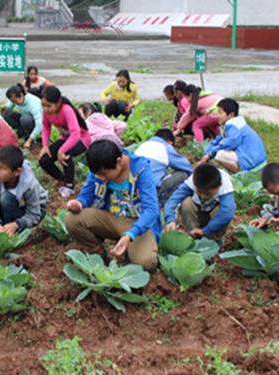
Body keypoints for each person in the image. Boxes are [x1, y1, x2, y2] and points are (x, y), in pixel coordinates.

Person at [65, 140, 161, 271]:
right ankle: (97, 253)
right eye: (98, 174)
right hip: (110, 218)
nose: (101, 178)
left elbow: (151, 210)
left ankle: (129, 250)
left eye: (104, 174)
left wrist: (130, 235)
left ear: (119, 161)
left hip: (136, 223)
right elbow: (86, 194)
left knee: (146, 262)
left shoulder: (141, 170)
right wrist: (78, 203)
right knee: (72, 219)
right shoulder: (100, 168)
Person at [0, 145, 48, 235]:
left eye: (2, 168)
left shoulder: (30, 184)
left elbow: (34, 214)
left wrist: (17, 224)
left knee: (6, 198)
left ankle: (11, 233)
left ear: (17, 172)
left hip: (34, 211)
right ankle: (3, 226)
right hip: (10, 206)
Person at [39, 86, 92, 198]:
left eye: (49, 106)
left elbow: (76, 133)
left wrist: (61, 150)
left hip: (82, 139)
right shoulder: (46, 112)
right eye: (43, 105)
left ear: (58, 103)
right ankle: (63, 178)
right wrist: (45, 145)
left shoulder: (66, 110)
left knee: (65, 155)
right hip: (66, 139)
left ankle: (69, 186)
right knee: (44, 159)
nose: (46, 109)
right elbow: (46, 127)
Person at [164, 163, 235, 243]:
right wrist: (170, 220)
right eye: (199, 191)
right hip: (198, 214)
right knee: (186, 203)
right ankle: (193, 237)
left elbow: (227, 213)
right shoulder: (192, 181)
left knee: (221, 210)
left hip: (215, 221)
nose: (203, 196)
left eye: (208, 193)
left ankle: (214, 241)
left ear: (219, 185)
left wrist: (205, 231)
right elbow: (172, 201)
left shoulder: (225, 185)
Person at [199, 98, 267, 174]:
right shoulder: (231, 125)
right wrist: (207, 152)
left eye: (220, 113)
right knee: (218, 151)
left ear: (231, 114)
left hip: (254, 162)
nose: (217, 116)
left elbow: (226, 144)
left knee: (220, 154)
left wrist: (210, 154)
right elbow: (218, 140)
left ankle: (242, 175)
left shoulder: (235, 127)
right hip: (253, 157)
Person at [135, 129, 193, 207]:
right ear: (169, 142)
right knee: (182, 174)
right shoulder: (165, 147)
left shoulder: (142, 145)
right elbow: (186, 167)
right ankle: (162, 201)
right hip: (152, 189)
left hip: (136, 188)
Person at [2, 84, 43, 149]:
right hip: (23, 118)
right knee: (6, 113)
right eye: (13, 101)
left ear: (21, 95)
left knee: (25, 119)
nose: (14, 103)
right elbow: (8, 107)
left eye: (15, 101)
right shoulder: (16, 99)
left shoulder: (34, 104)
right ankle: (22, 132)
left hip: (36, 123)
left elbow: (40, 125)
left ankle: (30, 135)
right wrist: (4, 108)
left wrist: (29, 141)